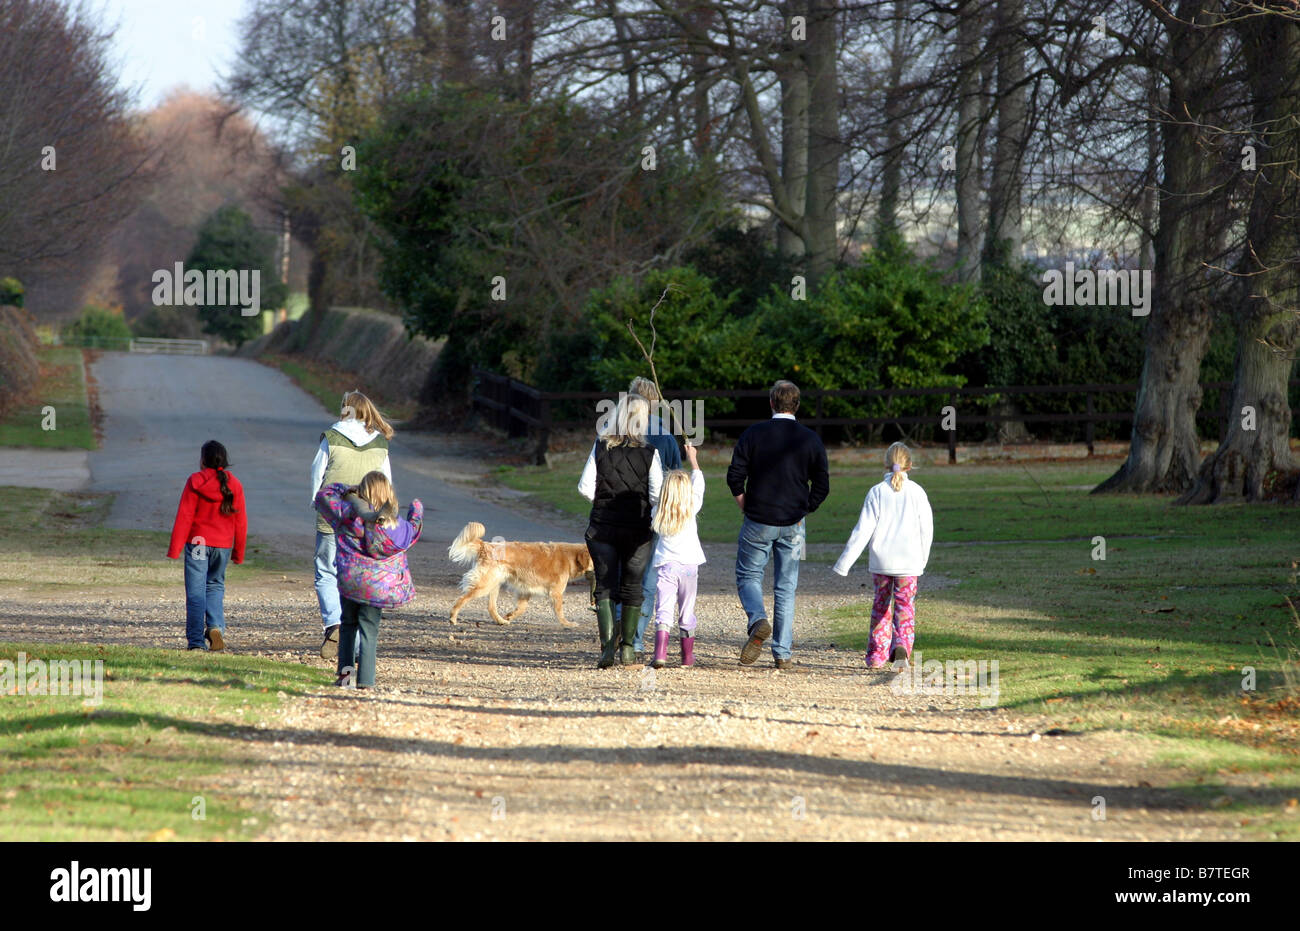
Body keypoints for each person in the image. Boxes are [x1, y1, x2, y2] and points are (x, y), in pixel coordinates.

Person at [726, 380, 829, 669]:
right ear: (796, 405)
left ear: (772, 403)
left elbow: (734, 476)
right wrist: (804, 509)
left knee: (748, 576)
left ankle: (758, 619)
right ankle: (782, 652)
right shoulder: (810, 439)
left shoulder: (754, 434)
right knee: (786, 587)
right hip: (794, 522)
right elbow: (822, 484)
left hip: (758, 518)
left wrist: (746, 505)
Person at [313, 472, 422, 689]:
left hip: (352, 582)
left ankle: (345, 678)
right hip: (379, 588)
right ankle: (366, 681)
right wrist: (417, 508)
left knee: (348, 626)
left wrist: (349, 490)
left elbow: (323, 495)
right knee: (369, 630)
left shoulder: (347, 514)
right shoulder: (399, 527)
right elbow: (415, 526)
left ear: (363, 493)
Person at [578, 393, 663, 668]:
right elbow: (657, 494)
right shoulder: (650, 453)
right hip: (637, 530)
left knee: (604, 587)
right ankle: (627, 648)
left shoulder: (600, 447)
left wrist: (603, 501)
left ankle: (606, 650)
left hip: (602, 527)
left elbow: (584, 487)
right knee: (633, 587)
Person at [831, 442, 933, 669]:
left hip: (882, 563)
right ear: (910, 465)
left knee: (881, 606)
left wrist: (844, 563)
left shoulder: (876, 492)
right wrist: (922, 560)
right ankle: (902, 647)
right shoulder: (918, 493)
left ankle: (877, 656)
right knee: (905, 607)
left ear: (885, 464)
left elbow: (863, 530)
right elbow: (927, 530)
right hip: (909, 562)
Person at [311, 390, 393, 660]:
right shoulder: (380, 444)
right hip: (366, 524)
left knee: (326, 572)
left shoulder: (331, 437)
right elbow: (386, 481)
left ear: (346, 410)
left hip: (333, 518)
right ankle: (357, 646)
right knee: (358, 578)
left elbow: (317, 473)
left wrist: (317, 502)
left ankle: (334, 623)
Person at [166, 440, 248, 651]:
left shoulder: (195, 481)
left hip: (198, 544)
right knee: (214, 585)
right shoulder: (235, 484)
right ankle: (215, 627)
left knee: (195, 592)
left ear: (203, 460)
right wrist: (238, 552)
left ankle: (195, 641)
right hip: (222, 546)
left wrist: (175, 549)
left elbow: (185, 516)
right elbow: (241, 521)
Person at [626, 376, 682, 656]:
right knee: (647, 579)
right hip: (654, 514)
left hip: (620, 511)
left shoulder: (615, 433)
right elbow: (676, 477)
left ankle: (616, 634)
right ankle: (634, 638)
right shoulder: (666, 437)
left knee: (622, 575)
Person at [648, 443, 705, 668]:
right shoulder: (692, 506)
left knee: (663, 609)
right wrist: (693, 459)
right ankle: (687, 658)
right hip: (690, 566)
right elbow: (699, 484)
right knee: (687, 609)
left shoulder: (657, 513)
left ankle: (660, 654)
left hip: (666, 566)